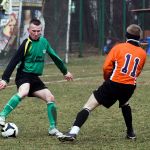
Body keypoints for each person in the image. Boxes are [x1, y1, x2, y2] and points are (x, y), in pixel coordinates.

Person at [58, 24, 147, 142]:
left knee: (88, 106)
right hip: (130, 85)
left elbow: (106, 67)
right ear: (139, 37)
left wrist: (107, 79)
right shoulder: (143, 53)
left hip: (114, 83)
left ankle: (73, 132)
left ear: (126, 35)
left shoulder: (118, 47)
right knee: (125, 103)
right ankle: (131, 133)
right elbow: (137, 71)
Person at [0, 19, 73, 137]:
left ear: (41, 31)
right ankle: (2, 115)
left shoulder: (44, 42)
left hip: (34, 78)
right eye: (33, 30)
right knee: (23, 92)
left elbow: (54, 57)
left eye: (38, 31)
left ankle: (53, 128)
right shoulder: (26, 43)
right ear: (29, 30)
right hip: (23, 75)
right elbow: (13, 61)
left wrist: (65, 72)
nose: (36, 33)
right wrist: (5, 79)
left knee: (50, 98)